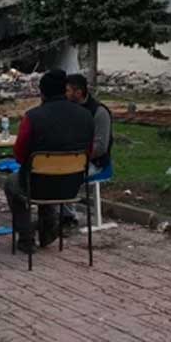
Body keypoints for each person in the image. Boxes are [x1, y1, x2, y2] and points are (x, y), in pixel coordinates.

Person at [4, 69, 95, 254]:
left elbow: (20, 154)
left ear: (42, 93)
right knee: (49, 179)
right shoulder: (86, 116)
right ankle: (48, 230)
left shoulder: (33, 117)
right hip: (72, 184)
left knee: (12, 183)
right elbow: (89, 151)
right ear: (64, 90)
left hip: (37, 183)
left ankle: (26, 237)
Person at [61, 73, 113, 229]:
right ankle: (53, 213)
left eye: (68, 90)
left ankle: (68, 217)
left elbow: (100, 147)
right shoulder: (67, 108)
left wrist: (76, 156)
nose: (65, 94)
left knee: (66, 175)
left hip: (94, 162)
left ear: (78, 92)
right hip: (68, 156)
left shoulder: (99, 112)